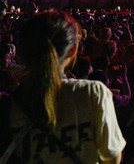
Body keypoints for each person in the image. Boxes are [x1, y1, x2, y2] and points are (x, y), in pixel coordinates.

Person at [4, 10, 126, 163]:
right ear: (73, 49)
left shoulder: (7, 107)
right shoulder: (93, 93)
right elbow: (112, 158)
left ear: (21, 52)